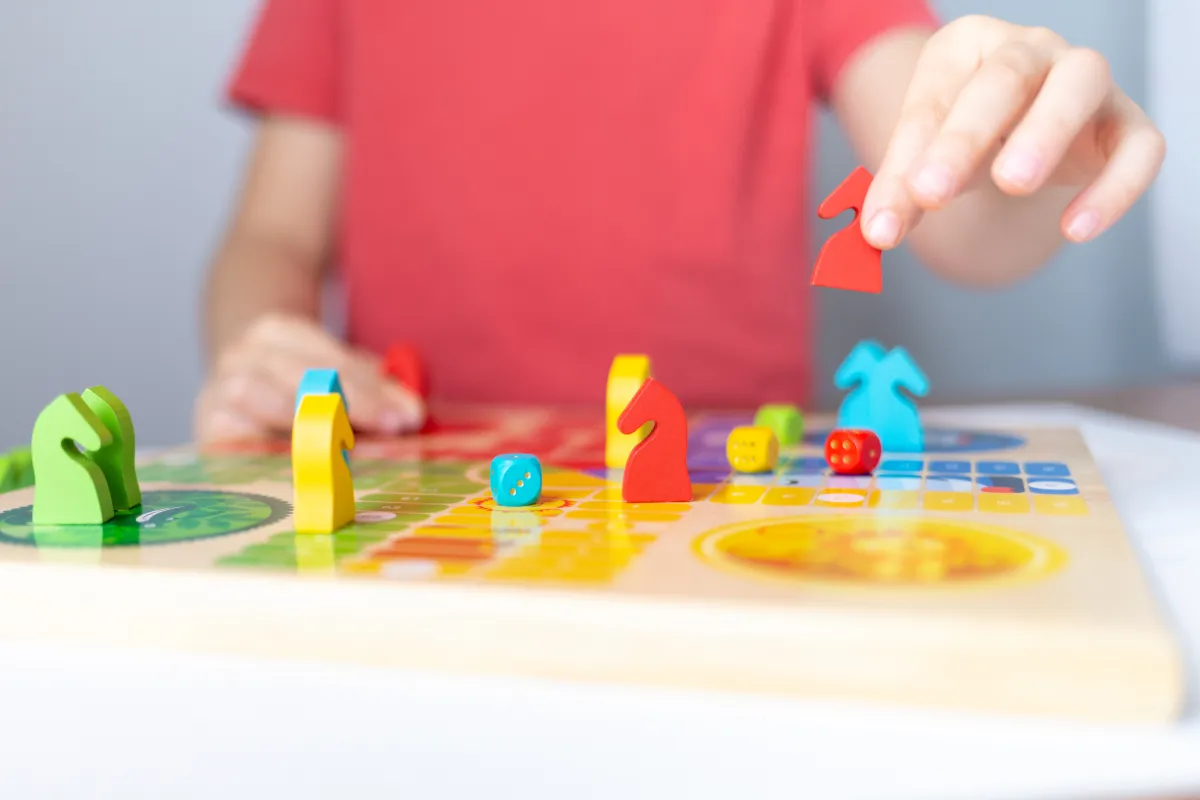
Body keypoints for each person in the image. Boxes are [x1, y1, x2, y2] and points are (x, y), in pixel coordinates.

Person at [195, 0, 1165, 443]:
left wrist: (1028, 149)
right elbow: (271, 239)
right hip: (402, 473)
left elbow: (955, 215)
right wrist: (262, 352)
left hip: (720, 483)